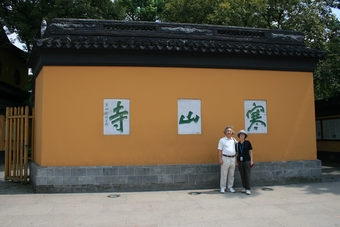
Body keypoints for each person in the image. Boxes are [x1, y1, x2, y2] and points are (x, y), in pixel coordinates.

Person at [218, 126, 238, 193]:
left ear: (232, 132)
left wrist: (236, 160)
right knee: (224, 173)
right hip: (225, 158)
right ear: (225, 132)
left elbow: (237, 150)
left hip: (233, 158)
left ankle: (230, 187)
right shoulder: (222, 140)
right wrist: (220, 159)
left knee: (231, 174)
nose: (229, 132)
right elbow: (219, 150)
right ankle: (223, 187)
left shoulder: (234, 140)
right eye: (228, 131)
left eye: (230, 131)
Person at [236, 130, 253, 195]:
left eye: (243, 135)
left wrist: (251, 160)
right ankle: (244, 187)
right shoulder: (238, 144)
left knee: (247, 174)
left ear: (245, 136)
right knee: (242, 174)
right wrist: (236, 161)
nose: (241, 136)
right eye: (240, 135)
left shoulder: (248, 142)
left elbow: (250, 151)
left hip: (247, 160)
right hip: (240, 161)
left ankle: (248, 188)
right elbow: (237, 153)